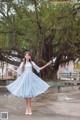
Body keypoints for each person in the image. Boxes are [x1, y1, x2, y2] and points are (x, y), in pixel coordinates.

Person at [6, 51, 52, 115]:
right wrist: (10, 69)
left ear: (30, 56)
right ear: (24, 56)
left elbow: (38, 69)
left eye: (28, 55)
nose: (27, 56)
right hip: (24, 79)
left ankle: (29, 108)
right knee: (26, 94)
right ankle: (26, 109)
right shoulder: (22, 63)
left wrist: (47, 64)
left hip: (30, 79)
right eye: (26, 55)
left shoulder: (32, 63)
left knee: (29, 94)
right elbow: (18, 71)